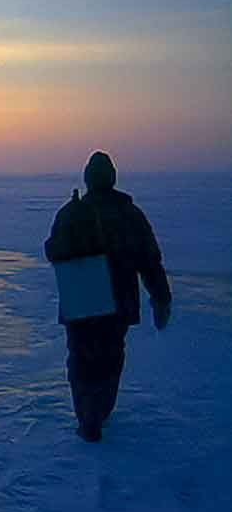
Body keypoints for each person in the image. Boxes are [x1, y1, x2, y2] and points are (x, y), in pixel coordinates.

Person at [45, 151, 172, 442]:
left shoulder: (72, 212)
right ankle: (99, 411)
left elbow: (52, 251)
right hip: (118, 299)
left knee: (81, 358)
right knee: (110, 357)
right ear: (112, 178)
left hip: (81, 295)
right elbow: (150, 260)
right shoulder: (129, 214)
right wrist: (161, 298)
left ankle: (88, 417)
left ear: (88, 179)